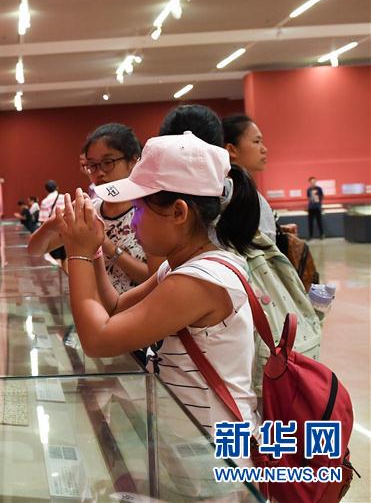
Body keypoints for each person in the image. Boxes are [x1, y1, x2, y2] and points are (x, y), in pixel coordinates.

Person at [53, 132, 261, 431]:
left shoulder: (200, 281)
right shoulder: (179, 267)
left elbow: (98, 340)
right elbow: (116, 308)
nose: (134, 221)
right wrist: (95, 249)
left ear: (178, 212)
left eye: (139, 209)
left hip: (215, 444)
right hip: (189, 435)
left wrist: (78, 253)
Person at [29, 124, 161, 294]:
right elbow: (35, 249)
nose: (99, 173)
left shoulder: (149, 212)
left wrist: (108, 247)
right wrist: (55, 222)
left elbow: (156, 279)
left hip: (138, 309)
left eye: (107, 162)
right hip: (96, 308)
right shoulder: (92, 211)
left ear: (133, 161)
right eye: (92, 165)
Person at [223, 114, 276, 240]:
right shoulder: (229, 194)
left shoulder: (246, 191)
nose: (264, 149)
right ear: (232, 150)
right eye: (256, 141)